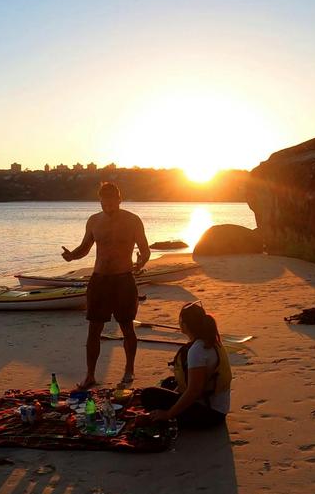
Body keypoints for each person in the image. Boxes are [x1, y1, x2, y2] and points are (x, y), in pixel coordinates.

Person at [61, 181, 150, 389]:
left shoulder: (133, 220)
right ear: (100, 201)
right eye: (103, 203)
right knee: (94, 329)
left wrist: (141, 261)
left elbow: (145, 249)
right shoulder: (93, 221)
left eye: (111, 202)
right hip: (99, 279)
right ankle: (90, 375)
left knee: (127, 327)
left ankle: (129, 370)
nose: (107, 207)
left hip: (123, 279)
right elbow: (85, 247)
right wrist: (71, 256)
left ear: (119, 199)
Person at [144, 302, 231, 428]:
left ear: (184, 325)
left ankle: (173, 419)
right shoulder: (212, 340)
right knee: (169, 383)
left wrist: (168, 414)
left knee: (148, 395)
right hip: (218, 407)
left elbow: (194, 391)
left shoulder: (197, 350)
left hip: (210, 414)